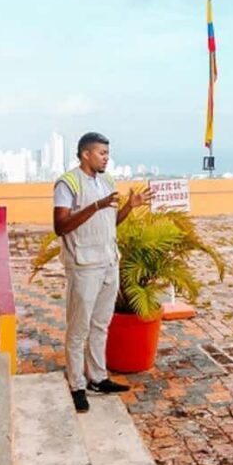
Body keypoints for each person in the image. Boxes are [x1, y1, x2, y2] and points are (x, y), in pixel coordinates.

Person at [53, 132, 153, 413]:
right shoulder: (68, 183)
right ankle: (76, 384)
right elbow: (60, 226)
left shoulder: (107, 181)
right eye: (101, 153)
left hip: (109, 261)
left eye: (108, 153)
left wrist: (129, 208)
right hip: (84, 265)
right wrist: (95, 205)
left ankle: (97, 377)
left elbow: (111, 222)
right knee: (78, 328)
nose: (106, 158)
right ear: (86, 154)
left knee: (100, 324)